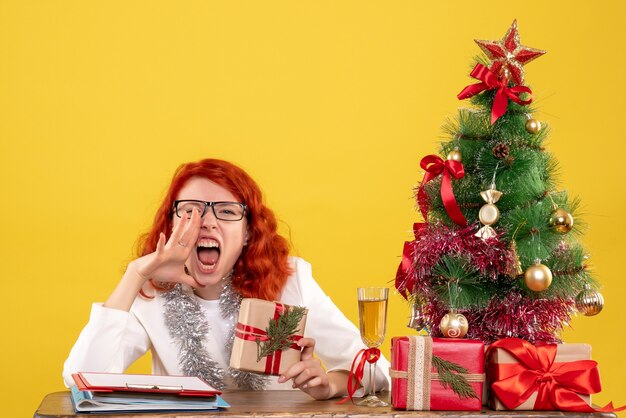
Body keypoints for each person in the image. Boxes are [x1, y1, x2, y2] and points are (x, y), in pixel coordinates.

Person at [63, 158, 390, 400]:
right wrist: (136, 275)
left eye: (227, 211)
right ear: (170, 224)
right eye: (190, 209)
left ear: (248, 232)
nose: (206, 222)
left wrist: (328, 385)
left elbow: (376, 368)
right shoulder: (150, 291)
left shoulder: (290, 281)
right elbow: (83, 378)